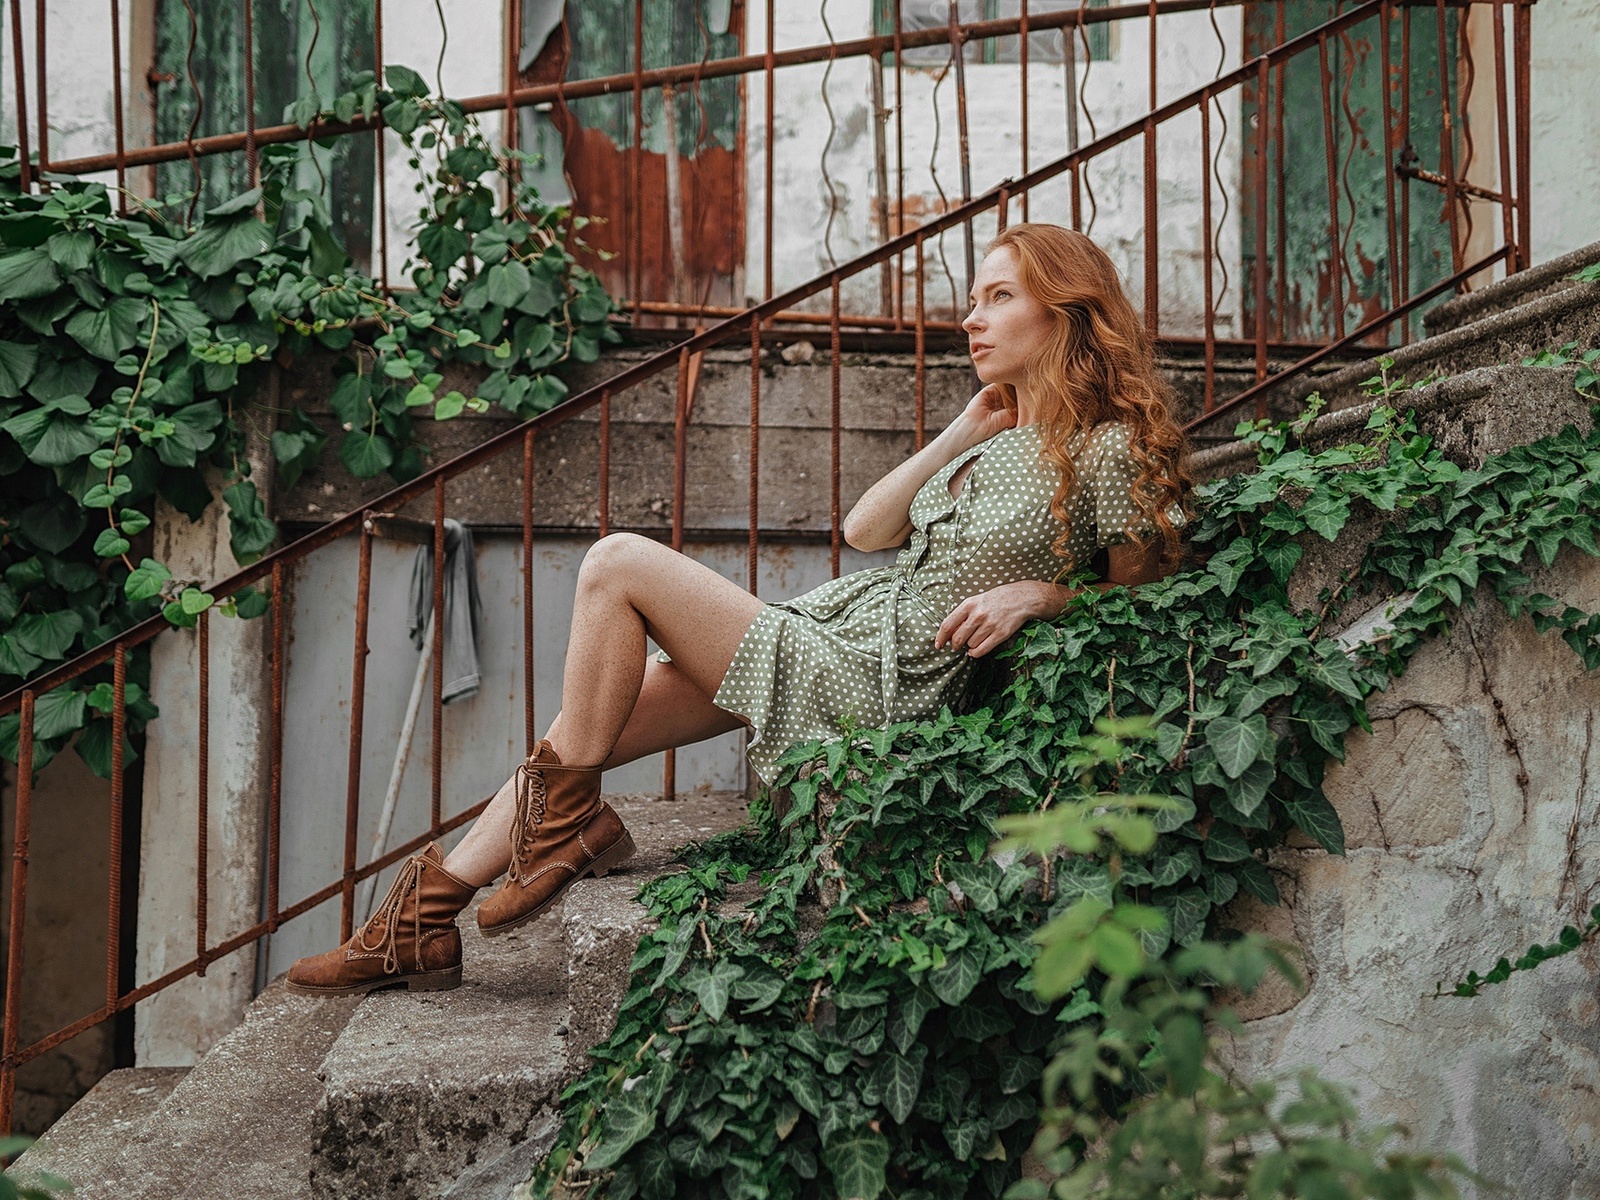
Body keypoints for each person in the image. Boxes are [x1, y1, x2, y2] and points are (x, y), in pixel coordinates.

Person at [284, 224, 1190, 997]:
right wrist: (961, 430)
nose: (969, 316)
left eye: (998, 297)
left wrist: (1046, 593)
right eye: (974, 296)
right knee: (592, 716)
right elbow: (866, 528)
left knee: (615, 564)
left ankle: (569, 828)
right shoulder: (994, 438)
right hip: (848, 632)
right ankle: (427, 915)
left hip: (888, 688)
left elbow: (1147, 599)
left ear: (1064, 313)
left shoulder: (1107, 450)